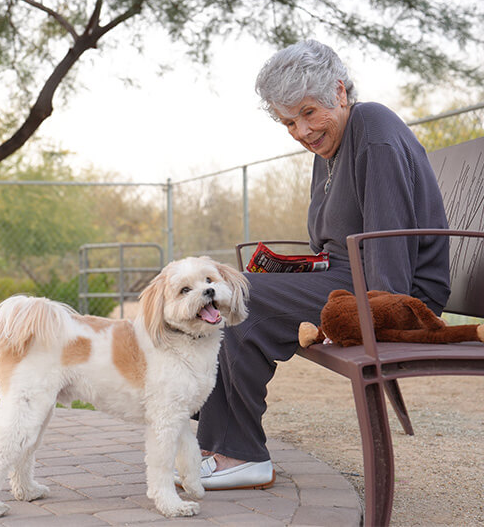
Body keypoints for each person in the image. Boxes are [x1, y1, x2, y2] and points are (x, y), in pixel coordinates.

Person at [193, 39, 451, 490]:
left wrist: (379, 314)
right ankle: (212, 443)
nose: (302, 131)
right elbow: (330, 245)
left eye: (309, 112)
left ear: (339, 91)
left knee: (238, 299)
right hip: (347, 278)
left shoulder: (374, 128)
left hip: (391, 294)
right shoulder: (331, 148)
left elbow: (389, 241)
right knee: (218, 288)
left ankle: (240, 454)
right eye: (288, 121)